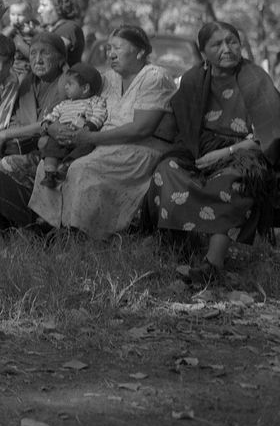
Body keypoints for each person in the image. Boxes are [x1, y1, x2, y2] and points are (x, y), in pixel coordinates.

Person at [150, 22, 280, 284]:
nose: (226, 49)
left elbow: (268, 135)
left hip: (245, 152)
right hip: (200, 149)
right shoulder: (192, 78)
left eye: (232, 42)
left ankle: (212, 264)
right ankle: (180, 249)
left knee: (232, 180)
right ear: (202, 53)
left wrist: (225, 153)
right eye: (217, 44)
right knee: (167, 170)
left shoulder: (255, 78)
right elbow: (177, 125)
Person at [29, 25, 172, 238]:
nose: (111, 54)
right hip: (101, 144)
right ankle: (51, 224)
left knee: (81, 168)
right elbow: (70, 93)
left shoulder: (154, 76)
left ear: (140, 51)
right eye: (108, 48)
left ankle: (78, 231)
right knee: (48, 164)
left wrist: (89, 137)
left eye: (118, 48)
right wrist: (54, 127)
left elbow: (142, 128)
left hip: (140, 149)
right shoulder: (108, 78)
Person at [0, 31, 69, 231]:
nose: (37, 59)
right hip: (25, 145)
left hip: (52, 152)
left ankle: (14, 225)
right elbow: (17, 119)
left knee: (6, 165)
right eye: (33, 53)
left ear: (61, 58)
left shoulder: (65, 84)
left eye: (45, 53)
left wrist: (5, 135)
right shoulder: (28, 81)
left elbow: (48, 124)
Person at [36, 62, 107, 188]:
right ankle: (50, 173)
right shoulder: (64, 104)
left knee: (87, 146)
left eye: (70, 84)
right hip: (61, 134)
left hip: (80, 134)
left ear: (85, 88)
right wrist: (47, 123)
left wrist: (88, 128)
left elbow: (99, 114)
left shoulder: (95, 101)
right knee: (50, 145)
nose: (66, 87)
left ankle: (67, 165)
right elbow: (53, 114)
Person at [37, 0, 86, 67]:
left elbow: (48, 57)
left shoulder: (68, 28)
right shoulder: (57, 29)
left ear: (60, 7)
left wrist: (18, 41)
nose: (39, 10)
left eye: (44, 5)